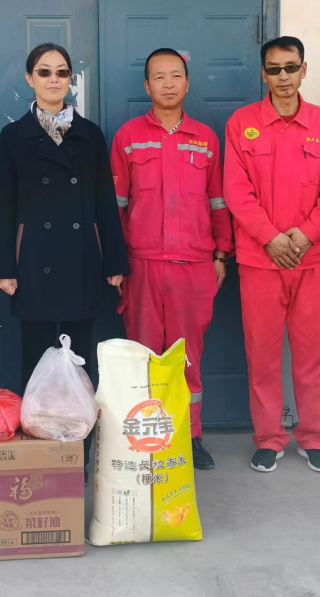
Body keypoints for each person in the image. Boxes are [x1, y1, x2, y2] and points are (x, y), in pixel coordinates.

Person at [0, 43, 129, 477]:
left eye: (62, 72)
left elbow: (105, 201)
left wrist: (114, 261)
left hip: (83, 258)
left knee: (80, 358)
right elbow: (3, 206)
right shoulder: (13, 137)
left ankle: (77, 452)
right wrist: (4, 266)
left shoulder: (90, 134)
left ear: (70, 80)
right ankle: (38, 446)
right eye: (44, 71)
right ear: (29, 78)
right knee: (34, 357)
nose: (54, 79)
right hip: (32, 260)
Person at [224, 36, 320, 474]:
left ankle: (313, 437)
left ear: (303, 70)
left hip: (311, 260)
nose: (283, 76)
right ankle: (269, 438)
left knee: (313, 354)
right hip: (261, 260)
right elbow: (235, 189)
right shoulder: (242, 124)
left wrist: (307, 234)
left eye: (290, 68)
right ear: (264, 74)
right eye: (274, 69)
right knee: (262, 354)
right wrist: (269, 238)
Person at [110, 48, 233, 471]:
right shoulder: (128, 137)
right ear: (147, 86)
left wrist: (221, 253)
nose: (168, 83)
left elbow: (218, 201)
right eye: (159, 77)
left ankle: (189, 435)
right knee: (143, 356)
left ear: (187, 82)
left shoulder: (205, 138)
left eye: (175, 75)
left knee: (186, 358)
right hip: (142, 265)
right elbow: (115, 206)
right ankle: (146, 440)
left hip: (194, 266)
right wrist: (115, 262)